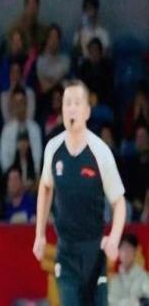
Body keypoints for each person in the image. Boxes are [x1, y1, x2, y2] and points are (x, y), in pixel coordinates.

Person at [33, 79, 126, 306]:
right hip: (65, 251)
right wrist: (40, 234)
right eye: (67, 103)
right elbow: (45, 187)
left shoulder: (100, 152)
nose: (71, 108)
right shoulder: (53, 148)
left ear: (87, 111)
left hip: (94, 251)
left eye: (77, 103)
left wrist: (114, 238)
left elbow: (119, 202)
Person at [108, 233, 149, 305]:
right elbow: (111, 302)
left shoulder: (143, 277)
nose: (126, 253)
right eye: (123, 249)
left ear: (135, 252)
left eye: (129, 249)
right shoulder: (114, 280)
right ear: (118, 252)